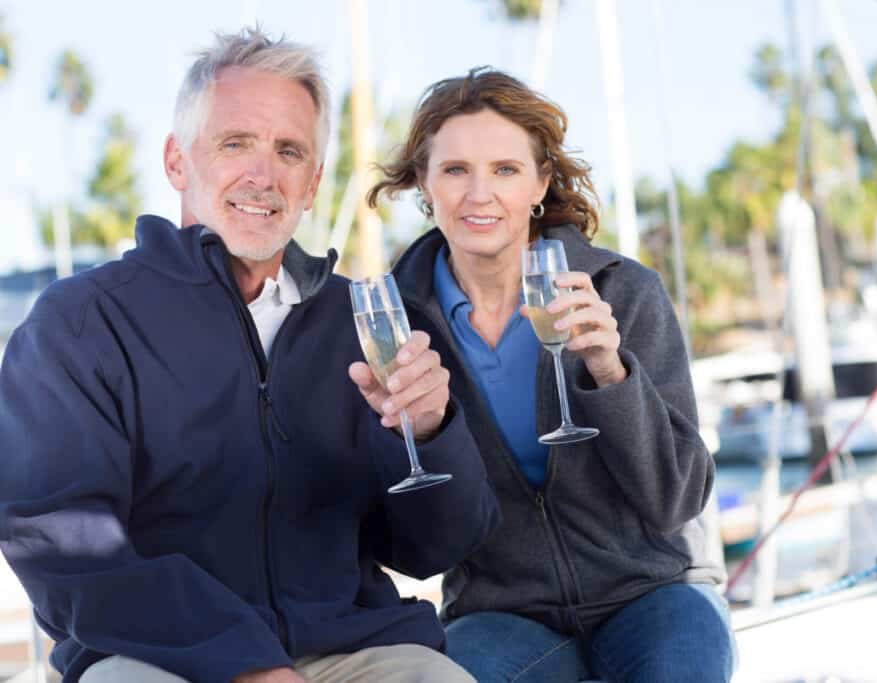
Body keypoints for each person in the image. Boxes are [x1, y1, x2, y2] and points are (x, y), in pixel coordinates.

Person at [0, 29, 500, 683]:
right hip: (154, 656)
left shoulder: (362, 321)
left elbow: (435, 546)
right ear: (178, 162)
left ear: (314, 181)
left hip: (345, 649)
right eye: (235, 143)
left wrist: (433, 433)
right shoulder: (82, 323)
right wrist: (244, 663)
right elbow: (63, 542)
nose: (262, 174)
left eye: (288, 150)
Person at [368, 67, 736, 683]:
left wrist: (610, 374)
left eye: (505, 170)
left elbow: (677, 498)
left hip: (653, 592)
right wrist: (426, 433)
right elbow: (416, 548)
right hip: (498, 612)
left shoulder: (623, 291)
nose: (478, 194)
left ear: (540, 182)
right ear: (425, 186)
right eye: (455, 170)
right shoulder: (396, 327)